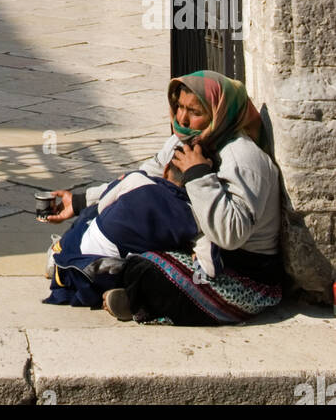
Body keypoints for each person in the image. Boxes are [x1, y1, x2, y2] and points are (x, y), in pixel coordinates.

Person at [45, 71, 284, 325]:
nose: (182, 118)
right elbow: (142, 179)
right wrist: (82, 201)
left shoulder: (244, 160)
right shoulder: (184, 141)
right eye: (179, 106)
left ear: (219, 113)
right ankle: (102, 278)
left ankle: (129, 293)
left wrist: (199, 175)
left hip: (239, 273)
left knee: (148, 269)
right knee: (107, 221)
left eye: (195, 111)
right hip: (191, 244)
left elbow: (231, 235)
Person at [45, 165, 198, 308]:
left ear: (165, 171)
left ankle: (57, 252)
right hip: (118, 270)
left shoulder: (137, 179)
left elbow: (102, 206)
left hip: (82, 262)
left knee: (90, 214)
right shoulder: (196, 217)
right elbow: (207, 265)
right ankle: (125, 294)